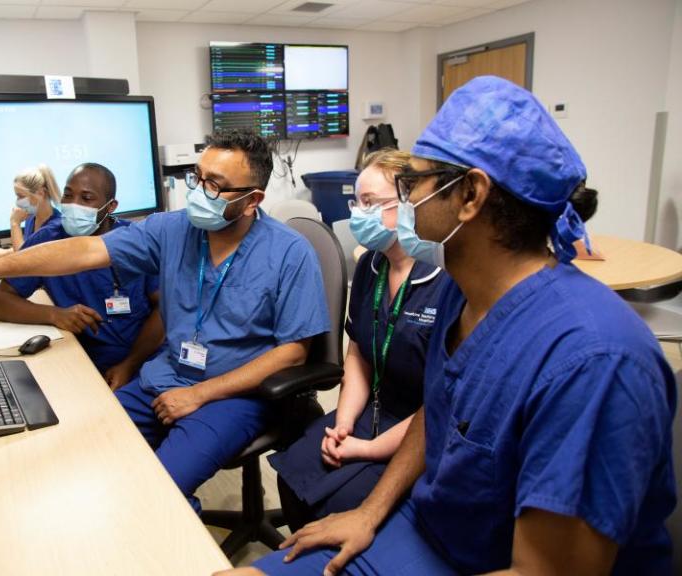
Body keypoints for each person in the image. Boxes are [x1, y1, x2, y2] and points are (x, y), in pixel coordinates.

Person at [224, 76, 676, 576]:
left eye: (412, 183)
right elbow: (438, 416)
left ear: (470, 196)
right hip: (427, 531)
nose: (405, 198)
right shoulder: (466, 293)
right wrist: (368, 514)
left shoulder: (593, 360)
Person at [0, 130, 330, 512]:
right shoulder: (171, 230)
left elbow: (293, 354)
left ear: (252, 200)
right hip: (162, 377)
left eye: (215, 186)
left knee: (158, 492)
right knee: (90, 457)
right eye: (197, 178)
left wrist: (200, 394)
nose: (199, 193)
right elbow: (81, 252)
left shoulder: (289, 253)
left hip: (232, 395)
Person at [268, 148, 447, 533]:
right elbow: (359, 355)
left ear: (410, 205)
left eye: (370, 202)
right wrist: (345, 422)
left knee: (343, 504)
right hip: (370, 410)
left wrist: (367, 449)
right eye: (356, 201)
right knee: (293, 473)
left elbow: (441, 404)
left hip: (422, 429)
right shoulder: (370, 265)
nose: (357, 214)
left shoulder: (447, 282)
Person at [0, 163, 163, 388]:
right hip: (83, 360)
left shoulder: (136, 242)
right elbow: (1, 302)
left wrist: (129, 365)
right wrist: (54, 315)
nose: (74, 205)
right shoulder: (48, 240)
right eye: (68, 195)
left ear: (110, 207)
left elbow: (164, 309)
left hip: (141, 359)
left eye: (86, 198)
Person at [0, 164, 62, 257]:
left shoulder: (54, 228)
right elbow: (31, 248)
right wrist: (5, 252)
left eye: (21, 196)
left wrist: (15, 223)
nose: (17, 202)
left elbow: (23, 257)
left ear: (41, 193)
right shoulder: (31, 218)